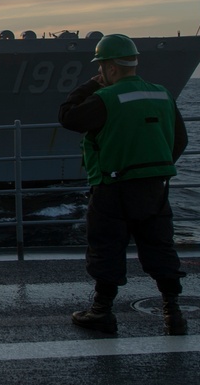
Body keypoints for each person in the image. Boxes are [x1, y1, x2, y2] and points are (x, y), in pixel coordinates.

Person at [59, 33, 189, 336]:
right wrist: (155, 168)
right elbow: (179, 140)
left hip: (113, 187)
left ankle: (102, 312)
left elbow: (68, 116)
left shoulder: (106, 98)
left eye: (101, 67)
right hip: (155, 188)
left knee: (106, 249)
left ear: (110, 68)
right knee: (160, 248)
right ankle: (174, 313)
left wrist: (91, 84)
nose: (101, 72)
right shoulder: (162, 95)